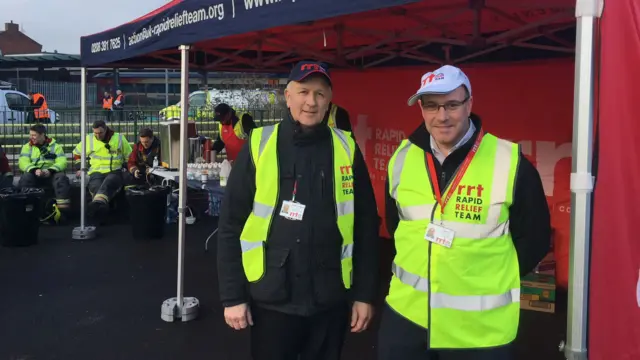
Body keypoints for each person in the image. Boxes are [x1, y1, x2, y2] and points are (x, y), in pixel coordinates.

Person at [378, 65, 551, 360]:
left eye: (452, 105)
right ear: (421, 108)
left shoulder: (510, 161)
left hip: (479, 331)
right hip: (407, 319)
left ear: (469, 104)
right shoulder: (402, 157)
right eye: (431, 106)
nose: (441, 116)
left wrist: (480, 276)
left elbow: (534, 239)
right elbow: (397, 226)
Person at [217, 60, 380, 360]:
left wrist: (364, 295)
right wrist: (232, 296)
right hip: (272, 297)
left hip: (329, 296)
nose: (311, 101)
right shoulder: (259, 144)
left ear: (329, 100)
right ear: (288, 97)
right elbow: (230, 225)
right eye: (303, 91)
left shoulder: (347, 147)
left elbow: (366, 226)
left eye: (320, 93)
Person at [73, 120, 132, 218]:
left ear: (106, 130)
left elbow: (129, 156)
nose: (98, 136)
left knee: (109, 181)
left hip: (115, 171)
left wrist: (126, 167)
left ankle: (97, 206)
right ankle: (101, 210)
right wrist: (80, 168)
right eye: (95, 133)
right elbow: (77, 153)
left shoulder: (119, 138)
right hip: (96, 172)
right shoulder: (89, 139)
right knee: (96, 186)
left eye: (100, 133)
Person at [18, 124, 71, 212]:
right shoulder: (27, 147)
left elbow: (62, 162)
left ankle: (63, 211)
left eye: (34, 135)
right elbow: (23, 162)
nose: (31, 137)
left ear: (42, 134)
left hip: (51, 174)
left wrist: (50, 170)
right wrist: (34, 170)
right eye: (30, 135)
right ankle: (28, 207)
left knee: (61, 178)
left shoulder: (56, 146)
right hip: (34, 174)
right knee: (26, 178)